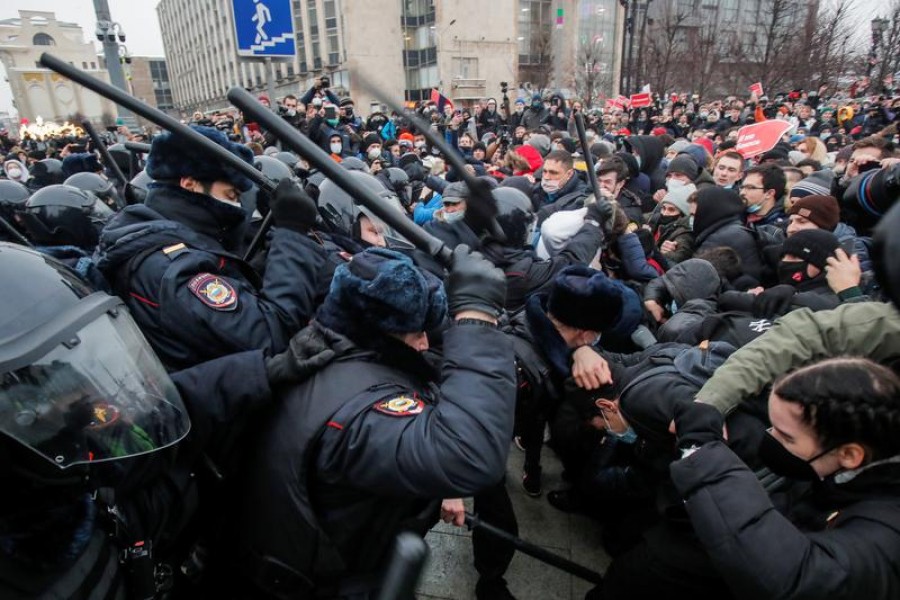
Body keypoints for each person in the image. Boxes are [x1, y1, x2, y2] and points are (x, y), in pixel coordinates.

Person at [233, 246, 516, 598]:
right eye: (416, 333)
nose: (425, 343)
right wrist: (476, 318)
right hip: (331, 581)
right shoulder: (360, 411)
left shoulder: (322, 351)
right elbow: (469, 456)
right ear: (384, 333)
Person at [0, 243, 277, 599]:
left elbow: (148, 429)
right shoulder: (39, 547)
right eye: (42, 398)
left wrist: (262, 372)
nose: (86, 405)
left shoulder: (58, 484)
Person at [95, 125, 326, 371]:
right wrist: (292, 233)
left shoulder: (171, 238)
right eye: (230, 195)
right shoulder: (174, 268)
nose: (237, 206)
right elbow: (271, 336)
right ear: (190, 184)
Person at [667, 358, 900, 599]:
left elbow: (801, 580)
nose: (770, 437)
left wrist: (700, 451)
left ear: (850, 455)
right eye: (773, 426)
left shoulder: (888, 531)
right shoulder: (850, 472)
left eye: (787, 437)